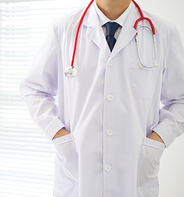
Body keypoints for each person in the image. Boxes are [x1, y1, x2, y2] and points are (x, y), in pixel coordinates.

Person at [19, 0, 184, 196]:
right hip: (77, 172)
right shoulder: (63, 29)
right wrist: (58, 134)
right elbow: (33, 89)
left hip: (135, 172)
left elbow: (181, 99)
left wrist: (158, 140)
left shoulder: (164, 32)